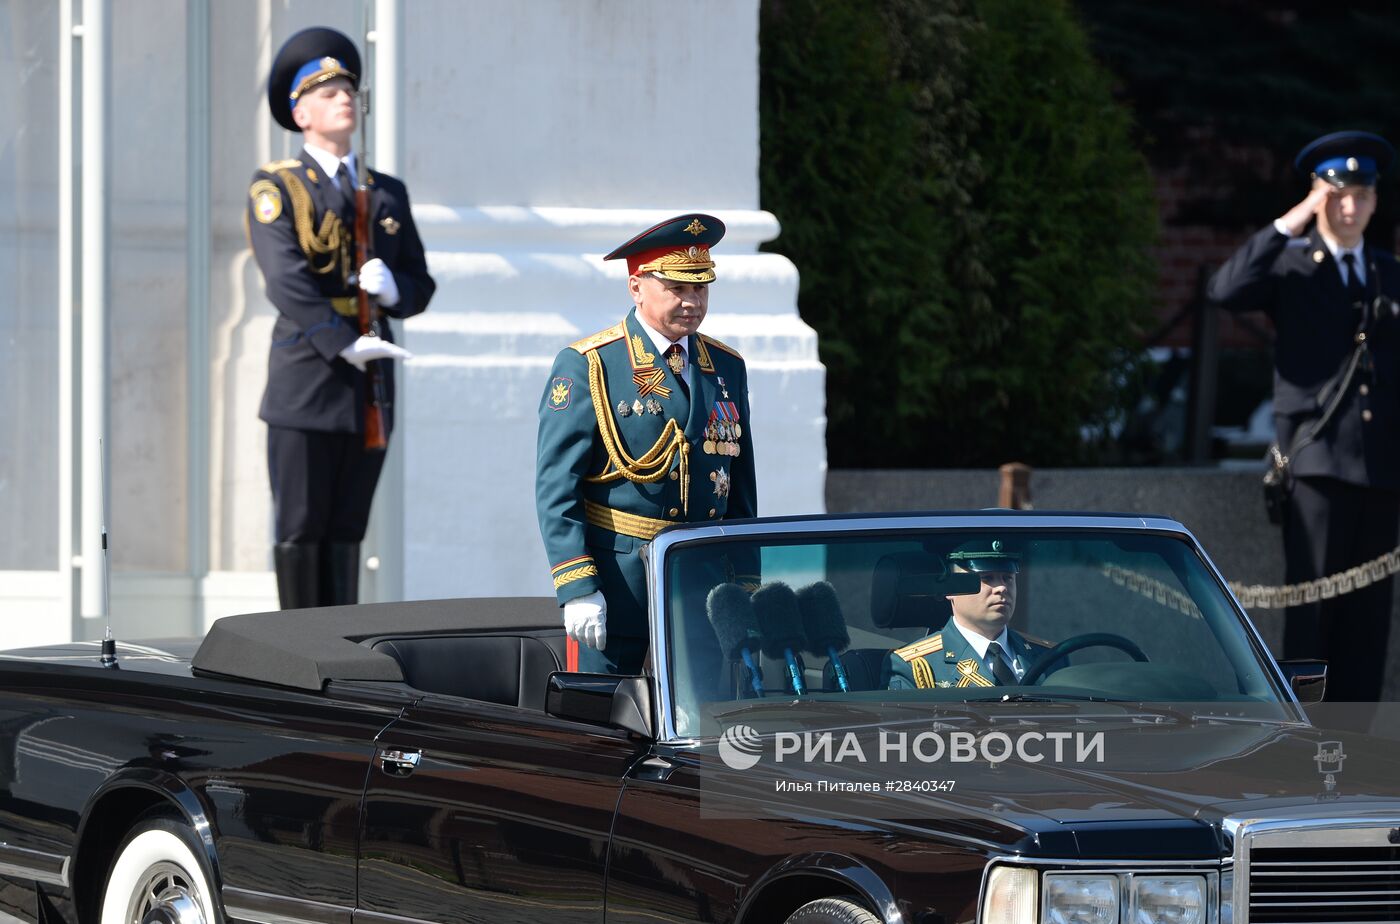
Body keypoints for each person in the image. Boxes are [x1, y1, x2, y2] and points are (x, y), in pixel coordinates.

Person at [1208, 131, 1400, 703]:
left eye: (1362, 194)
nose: (1351, 207)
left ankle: (1358, 752)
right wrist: (1294, 219)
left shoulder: (1388, 271)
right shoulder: (1290, 265)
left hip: (1384, 469)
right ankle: (1306, 745)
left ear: (1374, 200)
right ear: (1318, 195)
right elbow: (1225, 289)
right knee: (1312, 614)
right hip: (1316, 466)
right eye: (1337, 194)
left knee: (1369, 623)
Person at [247, 27, 435, 609]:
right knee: (302, 529)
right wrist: (342, 342)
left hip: (371, 387)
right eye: (327, 92)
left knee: (349, 530)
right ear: (300, 112)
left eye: (350, 88)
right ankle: (300, 652)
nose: (344, 98)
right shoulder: (276, 187)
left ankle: (338, 648)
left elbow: (420, 285)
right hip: (309, 378)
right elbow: (287, 282)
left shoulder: (386, 193)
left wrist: (393, 290)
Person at [536, 214, 758, 674]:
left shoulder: (725, 366)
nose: (691, 301)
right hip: (617, 590)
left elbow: (739, 484)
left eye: (700, 289)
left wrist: (744, 584)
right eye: (677, 288)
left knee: (699, 732)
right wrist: (576, 586)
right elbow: (557, 489)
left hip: (701, 589)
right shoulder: (591, 364)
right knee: (600, 730)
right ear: (636, 287)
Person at [885, 539, 1054, 689]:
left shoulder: (1048, 656)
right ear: (950, 587)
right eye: (986, 578)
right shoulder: (915, 666)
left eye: (1008, 577)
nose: (1001, 588)